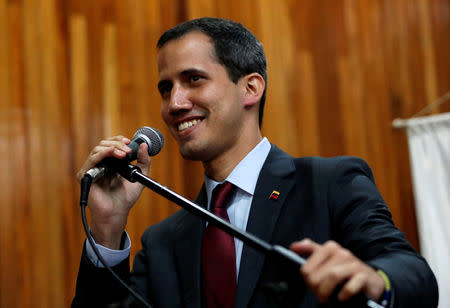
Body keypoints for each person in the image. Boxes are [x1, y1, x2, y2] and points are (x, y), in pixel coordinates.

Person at [72, 17, 438, 308]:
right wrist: (107, 225)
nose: (174, 103)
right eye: (166, 88)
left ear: (251, 88)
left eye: (193, 80)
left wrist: (376, 279)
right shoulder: (164, 242)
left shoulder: (330, 184)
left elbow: (414, 277)